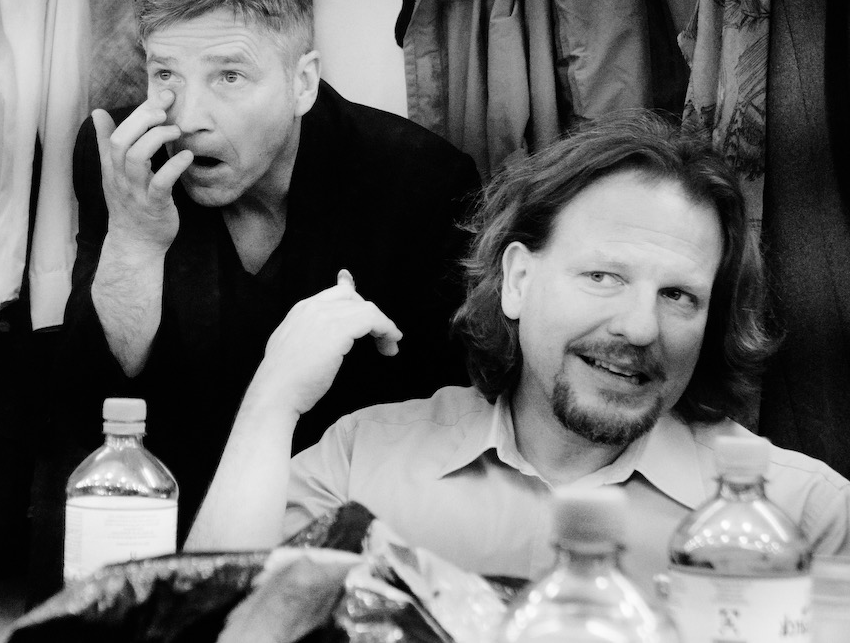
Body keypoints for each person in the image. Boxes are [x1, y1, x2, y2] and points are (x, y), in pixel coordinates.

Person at [186, 111, 850, 589]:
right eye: (604, 276)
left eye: (679, 295)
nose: (640, 327)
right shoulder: (362, 464)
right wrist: (272, 399)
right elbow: (203, 621)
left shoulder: (806, 517)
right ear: (518, 281)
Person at [59, 0, 482, 537]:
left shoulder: (420, 182)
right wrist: (135, 242)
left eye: (229, 76)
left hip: (343, 527)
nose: (187, 118)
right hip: (163, 513)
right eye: (165, 73)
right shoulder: (127, 156)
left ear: (303, 83)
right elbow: (90, 407)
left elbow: (440, 423)